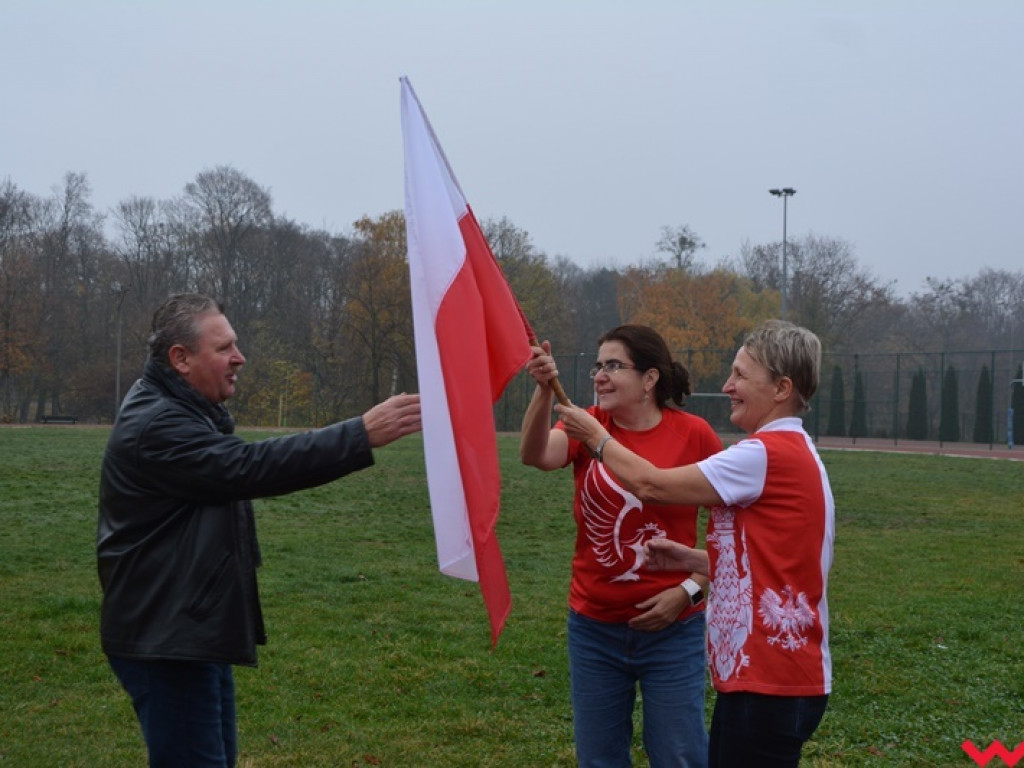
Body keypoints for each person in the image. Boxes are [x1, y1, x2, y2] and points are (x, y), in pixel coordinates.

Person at [97, 293, 421, 767]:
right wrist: (358, 434)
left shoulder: (178, 406)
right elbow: (248, 467)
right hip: (166, 639)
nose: (239, 357)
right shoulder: (158, 424)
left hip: (185, 628)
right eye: (224, 347)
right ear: (180, 359)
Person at [555, 320, 835, 768]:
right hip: (767, 677)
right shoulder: (791, 451)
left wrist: (595, 437)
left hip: (769, 678)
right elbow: (772, 559)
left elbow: (651, 484)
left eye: (741, 376)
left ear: (782, 388)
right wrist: (695, 560)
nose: (727, 386)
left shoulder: (763, 454)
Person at [520, 325, 721, 768]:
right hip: (594, 628)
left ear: (650, 379)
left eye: (614, 366)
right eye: (598, 366)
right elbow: (537, 455)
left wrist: (689, 590)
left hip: (674, 630)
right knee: (599, 759)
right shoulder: (588, 423)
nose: (600, 376)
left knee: (679, 754)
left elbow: (727, 531)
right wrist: (541, 393)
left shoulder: (695, 435)